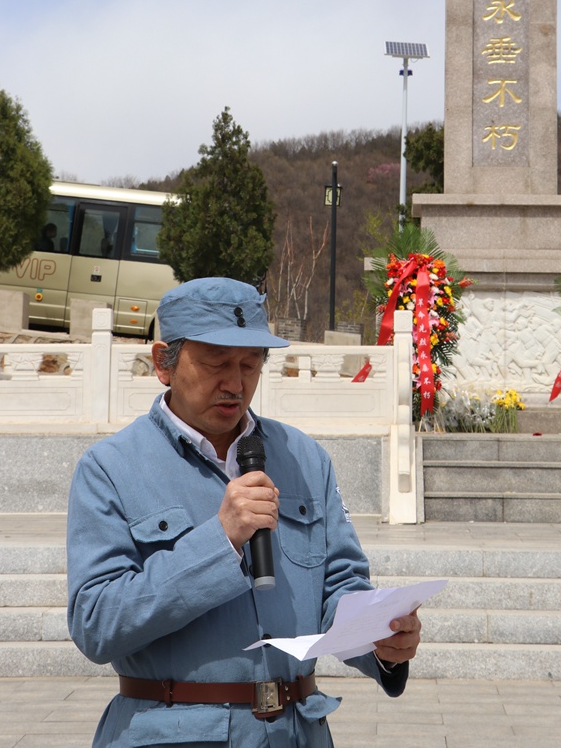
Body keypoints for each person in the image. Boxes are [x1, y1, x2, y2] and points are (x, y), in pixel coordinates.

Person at [67, 277, 421, 747]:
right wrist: (219, 539)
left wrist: (382, 637)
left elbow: (339, 585)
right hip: (174, 732)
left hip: (298, 731)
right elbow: (96, 623)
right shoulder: (110, 468)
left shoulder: (304, 457)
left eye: (251, 365)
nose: (235, 384)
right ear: (162, 363)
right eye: (216, 363)